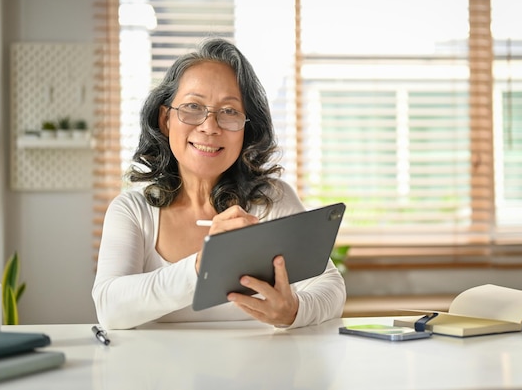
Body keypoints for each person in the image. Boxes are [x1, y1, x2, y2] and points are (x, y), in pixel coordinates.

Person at [92, 38, 346, 330]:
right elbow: (109, 308)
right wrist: (203, 266)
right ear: (165, 119)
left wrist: (295, 310)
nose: (209, 127)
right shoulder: (132, 211)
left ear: (246, 129)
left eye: (229, 111)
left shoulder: (270, 200)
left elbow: (331, 287)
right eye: (192, 106)